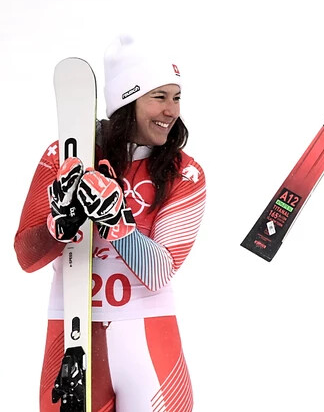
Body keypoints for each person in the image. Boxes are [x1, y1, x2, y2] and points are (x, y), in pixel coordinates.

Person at [14, 34, 206, 411]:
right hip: (70, 336)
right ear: (128, 100)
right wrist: (60, 227)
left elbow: (159, 271)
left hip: (149, 342)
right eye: (159, 97)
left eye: (176, 97)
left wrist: (116, 220)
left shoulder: (185, 174)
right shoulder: (63, 157)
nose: (171, 110)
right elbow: (26, 256)